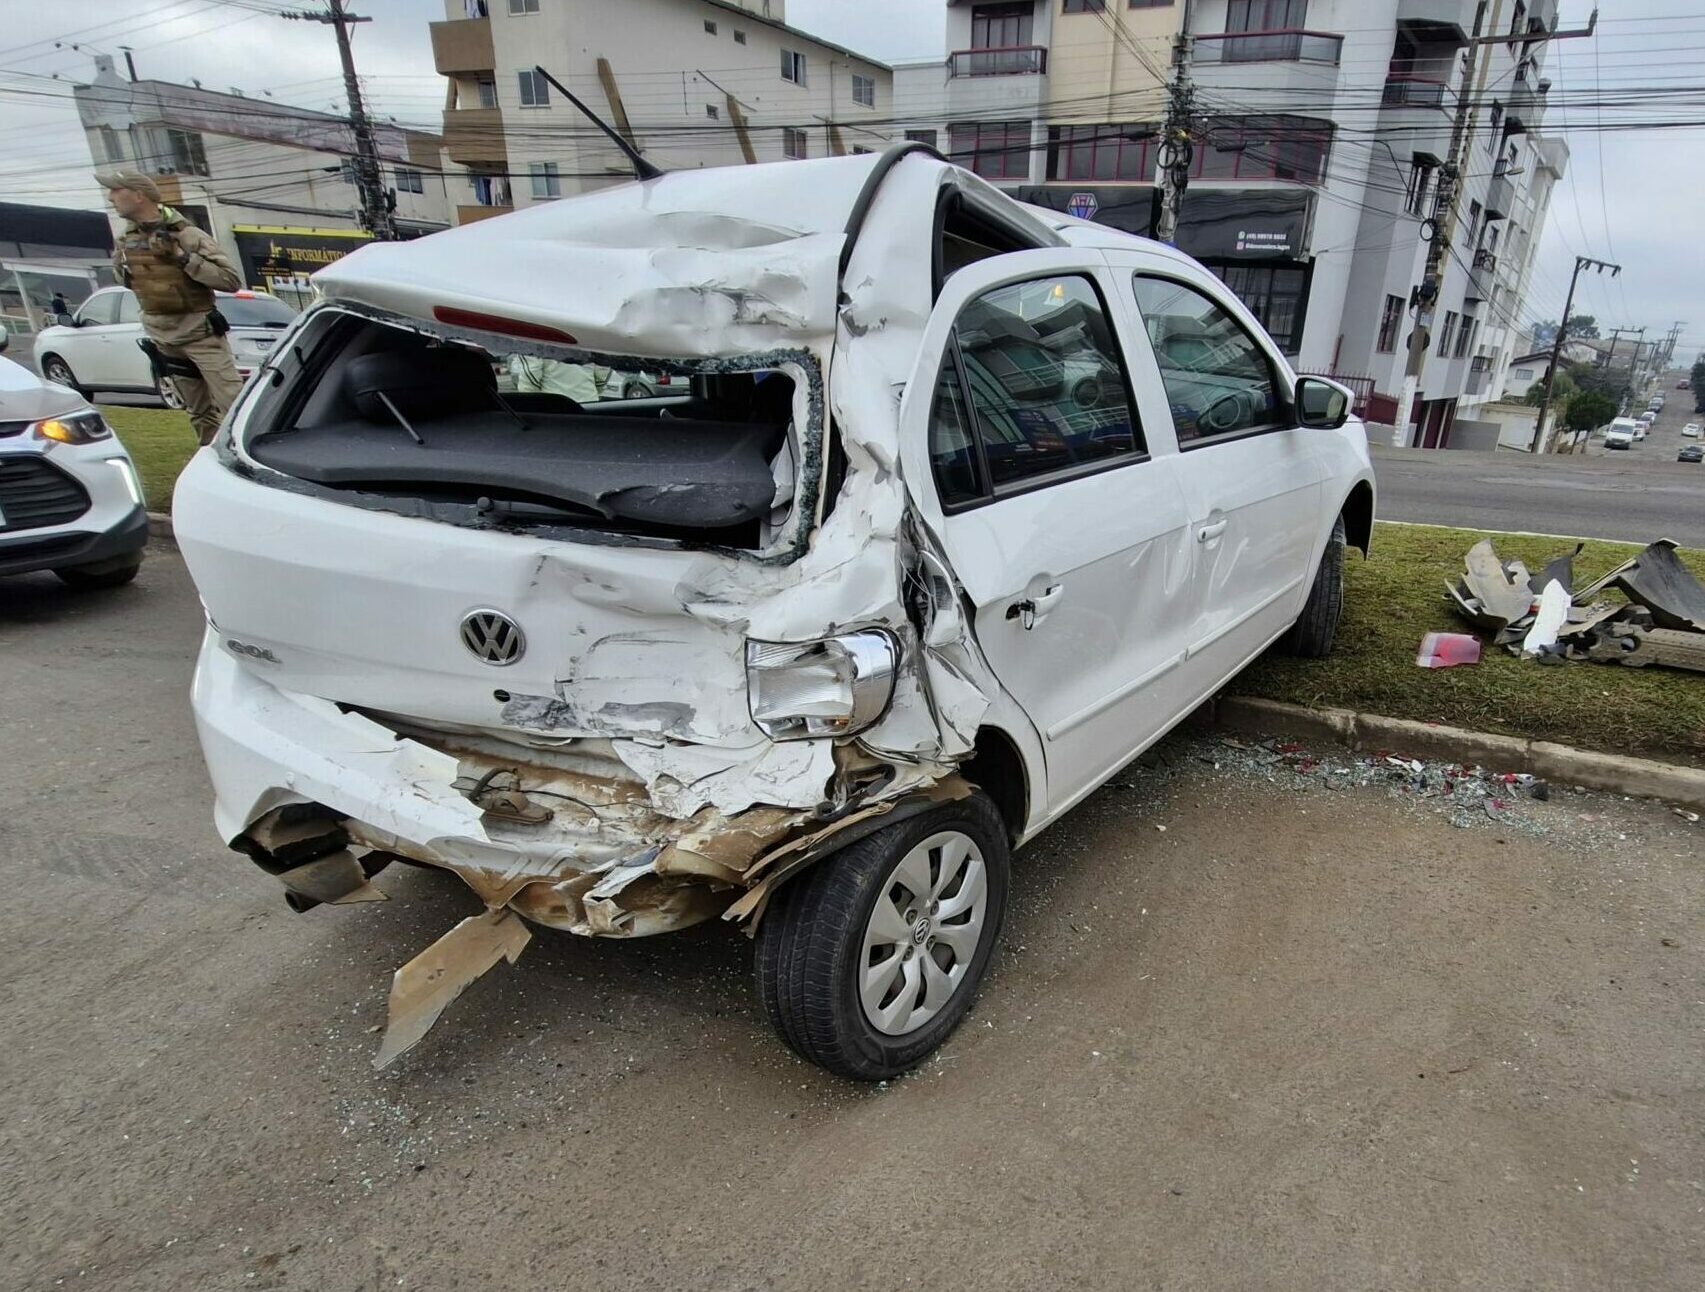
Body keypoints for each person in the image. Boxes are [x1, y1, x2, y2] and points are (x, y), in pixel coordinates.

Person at [99, 170, 244, 446]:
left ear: (139, 195)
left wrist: (182, 257)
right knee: (198, 413)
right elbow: (129, 281)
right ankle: (211, 463)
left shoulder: (187, 235)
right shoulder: (125, 240)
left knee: (234, 406)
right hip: (163, 336)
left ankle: (248, 462)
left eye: (117, 191)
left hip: (200, 335)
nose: (111, 198)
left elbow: (229, 280)